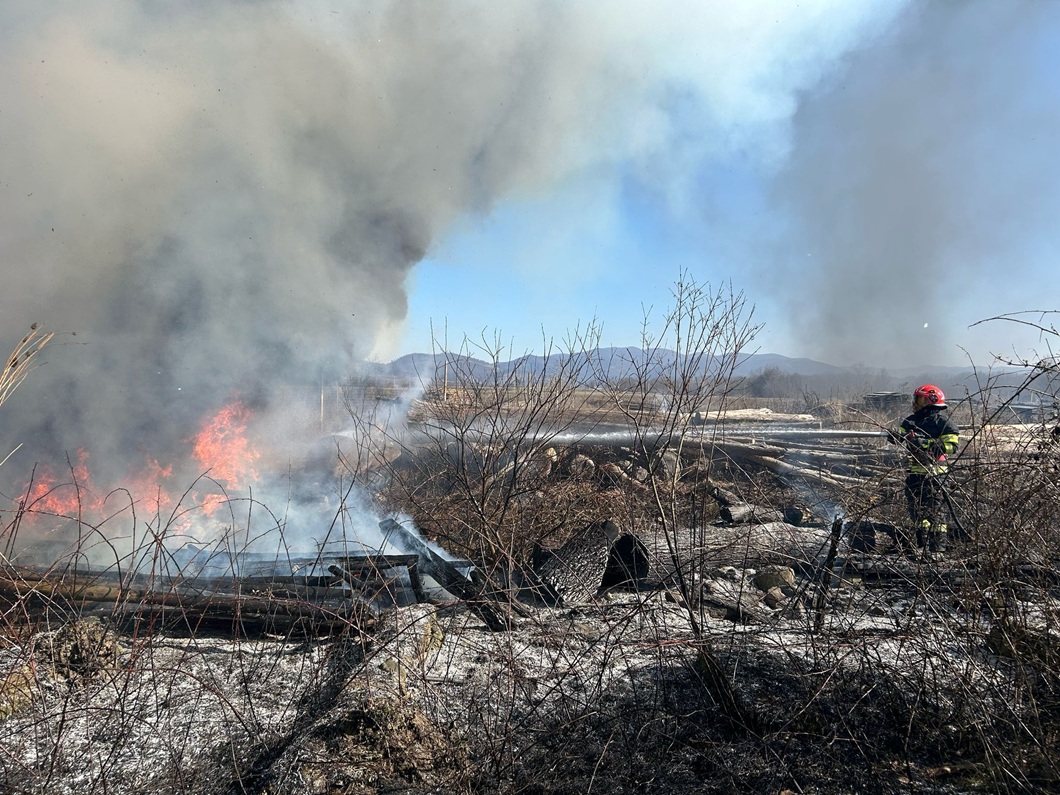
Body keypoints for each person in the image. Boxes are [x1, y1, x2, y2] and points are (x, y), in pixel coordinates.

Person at [889, 384, 960, 557]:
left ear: (931, 401)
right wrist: (894, 436)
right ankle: (922, 546)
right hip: (915, 475)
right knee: (917, 512)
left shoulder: (943, 423)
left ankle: (937, 550)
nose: (915, 403)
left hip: (935, 476)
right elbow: (899, 436)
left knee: (935, 514)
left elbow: (952, 446)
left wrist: (928, 444)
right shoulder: (911, 421)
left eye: (919, 399)